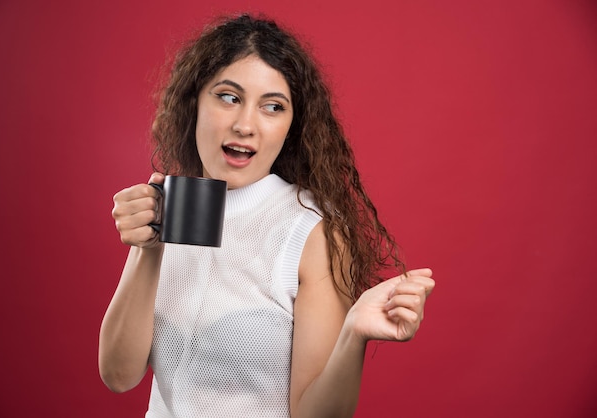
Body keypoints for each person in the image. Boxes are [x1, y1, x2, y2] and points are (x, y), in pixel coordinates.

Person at [99, 13, 435, 418]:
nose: (245, 125)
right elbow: (119, 376)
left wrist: (354, 335)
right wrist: (148, 249)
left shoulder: (309, 229)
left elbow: (316, 414)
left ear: (291, 127)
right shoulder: (173, 204)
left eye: (272, 107)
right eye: (228, 97)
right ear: (194, 103)